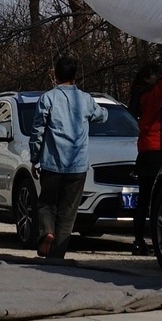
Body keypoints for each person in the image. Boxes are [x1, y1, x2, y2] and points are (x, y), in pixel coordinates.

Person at [29, 55, 108, 260]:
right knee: (68, 211)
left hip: (52, 163)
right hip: (77, 166)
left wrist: (35, 158)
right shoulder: (85, 99)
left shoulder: (47, 98)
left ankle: (47, 231)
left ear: (55, 76)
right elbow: (101, 115)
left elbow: (37, 131)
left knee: (46, 203)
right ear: (75, 76)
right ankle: (57, 255)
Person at [127, 36, 162, 255]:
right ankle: (160, 241)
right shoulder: (154, 93)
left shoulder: (139, 96)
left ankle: (139, 241)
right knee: (161, 198)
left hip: (145, 152)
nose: (159, 77)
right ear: (149, 78)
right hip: (158, 152)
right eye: (155, 75)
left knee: (143, 199)